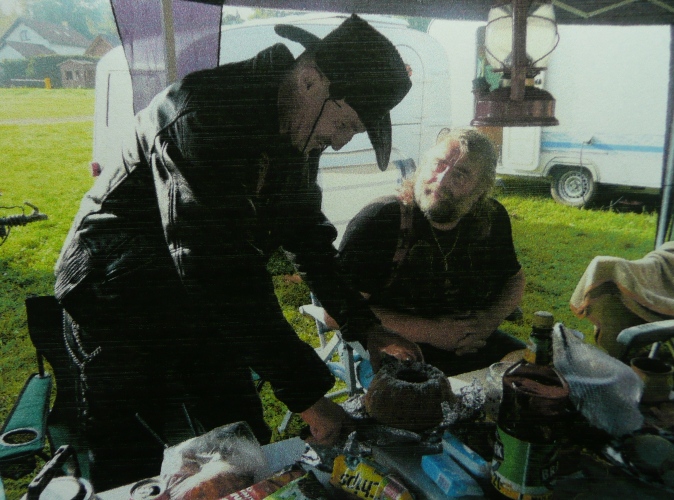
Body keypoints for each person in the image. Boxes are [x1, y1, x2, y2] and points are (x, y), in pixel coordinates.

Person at [54, 14, 420, 490]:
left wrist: (366, 326)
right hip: (115, 297)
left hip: (197, 301)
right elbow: (216, 270)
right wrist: (310, 399)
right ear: (311, 80)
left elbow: (307, 237)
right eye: (345, 123)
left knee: (244, 442)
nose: (339, 140)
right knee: (131, 465)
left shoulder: (297, 129)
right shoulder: (203, 112)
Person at [338, 128, 526, 376]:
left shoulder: (491, 218)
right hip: (397, 346)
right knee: (435, 397)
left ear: (480, 190)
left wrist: (487, 322)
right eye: (438, 165)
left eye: (460, 174)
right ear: (423, 165)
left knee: (535, 375)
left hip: (471, 341)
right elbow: (336, 311)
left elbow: (515, 279)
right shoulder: (381, 220)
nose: (442, 180)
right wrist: (434, 331)